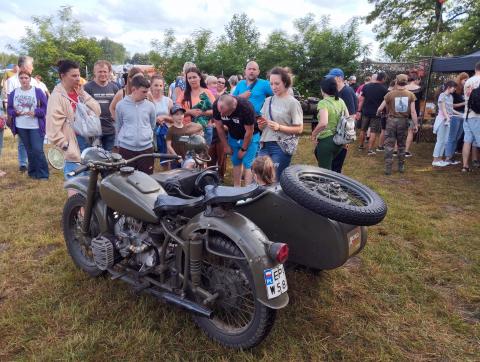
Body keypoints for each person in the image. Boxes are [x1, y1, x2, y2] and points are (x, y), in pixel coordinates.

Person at [46, 60, 101, 187]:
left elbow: (97, 110)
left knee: (88, 181)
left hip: (89, 141)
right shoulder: (57, 97)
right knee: (75, 182)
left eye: (78, 75)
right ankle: (76, 206)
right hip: (73, 142)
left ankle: (85, 206)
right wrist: (65, 145)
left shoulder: (79, 92)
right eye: (74, 76)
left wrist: (84, 96)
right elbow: (52, 128)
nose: (78, 79)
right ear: (63, 76)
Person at [257, 67, 303, 180]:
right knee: (260, 178)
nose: (273, 87)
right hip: (264, 144)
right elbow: (261, 125)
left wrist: (279, 127)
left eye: (277, 83)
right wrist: (261, 125)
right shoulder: (268, 100)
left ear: (285, 83)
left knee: (274, 180)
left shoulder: (293, 103)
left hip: (281, 147)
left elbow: (299, 129)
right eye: (271, 84)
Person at [7, 70, 49, 179]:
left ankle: (43, 174)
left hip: (35, 126)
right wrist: (15, 112)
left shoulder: (38, 91)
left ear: (30, 79)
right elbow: (10, 109)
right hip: (21, 126)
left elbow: (45, 109)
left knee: (37, 150)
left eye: (26, 78)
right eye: (21, 78)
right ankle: (32, 173)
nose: (24, 80)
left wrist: (35, 112)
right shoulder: (14, 93)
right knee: (29, 151)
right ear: (18, 79)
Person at [213, 94, 260, 187]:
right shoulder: (217, 105)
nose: (221, 115)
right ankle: (236, 188)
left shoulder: (246, 108)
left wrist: (243, 149)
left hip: (250, 137)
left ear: (233, 107)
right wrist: (226, 145)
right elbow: (219, 127)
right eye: (220, 112)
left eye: (225, 113)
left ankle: (248, 191)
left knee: (248, 163)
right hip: (233, 135)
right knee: (236, 161)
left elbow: (250, 131)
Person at [377, 74, 418, 175]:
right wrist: (415, 124)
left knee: (389, 145)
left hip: (391, 121)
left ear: (396, 81)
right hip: (403, 121)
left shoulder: (390, 94)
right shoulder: (410, 95)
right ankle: (401, 166)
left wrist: (378, 114)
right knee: (401, 145)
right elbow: (413, 112)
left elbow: (380, 108)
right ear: (406, 82)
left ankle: (388, 168)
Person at [114, 76, 156, 175]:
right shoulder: (121, 105)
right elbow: (119, 125)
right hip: (126, 149)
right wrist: (117, 144)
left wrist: (145, 136)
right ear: (134, 89)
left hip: (146, 149)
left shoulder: (150, 106)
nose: (147, 95)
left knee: (147, 179)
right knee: (126, 179)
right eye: (144, 92)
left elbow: (152, 124)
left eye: (147, 91)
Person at [6, 56, 41, 173]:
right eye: (32, 65)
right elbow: (8, 100)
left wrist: (37, 112)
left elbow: (41, 98)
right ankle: (23, 163)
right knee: (23, 142)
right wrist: (12, 113)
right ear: (25, 66)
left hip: (34, 119)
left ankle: (35, 165)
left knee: (35, 145)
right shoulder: (11, 81)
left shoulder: (35, 81)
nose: (33, 67)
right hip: (19, 118)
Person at [311, 77, 349, 170]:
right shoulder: (340, 101)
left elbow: (323, 123)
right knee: (334, 169)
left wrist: (314, 134)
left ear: (322, 89)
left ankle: (328, 184)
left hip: (326, 141)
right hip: (339, 140)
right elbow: (348, 119)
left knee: (325, 172)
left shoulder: (323, 103)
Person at [326, 68, 357, 173]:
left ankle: (337, 185)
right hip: (335, 131)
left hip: (342, 134)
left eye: (331, 78)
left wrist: (347, 137)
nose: (329, 81)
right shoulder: (336, 91)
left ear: (339, 78)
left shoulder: (347, 91)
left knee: (336, 166)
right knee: (331, 162)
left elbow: (351, 116)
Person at [83, 60, 119, 151]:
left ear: (109, 73)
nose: (102, 74)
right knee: (94, 158)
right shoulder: (87, 87)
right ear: (94, 72)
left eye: (105, 71)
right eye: (100, 71)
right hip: (93, 131)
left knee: (108, 157)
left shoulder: (114, 88)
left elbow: (117, 107)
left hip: (110, 129)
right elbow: (83, 108)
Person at [176, 67, 215, 144]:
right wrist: (190, 112)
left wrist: (202, 113)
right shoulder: (184, 94)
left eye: (194, 77)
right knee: (188, 155)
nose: (192, 80)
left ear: (199, 77)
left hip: (205, 129)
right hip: (188, 129)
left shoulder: (207, 92)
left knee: (204, 154)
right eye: (189, 78)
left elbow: (216, 111)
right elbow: (176, 112)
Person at [356, 72, 388, 155]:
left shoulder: (366, 86)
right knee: (373, 131)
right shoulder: (384, 89)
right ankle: (370, 150)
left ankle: (360, 146)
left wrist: (359, 111)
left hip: (365, 112)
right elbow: (386, 103)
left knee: (363, 130)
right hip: (376, 113)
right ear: (383, 79)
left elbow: (361, 99)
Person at [166, 105, 204, 169]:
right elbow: (168, 145)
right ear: (172, 116)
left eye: (181, 114)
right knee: (176, 176)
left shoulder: (186, 128)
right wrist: (176, 156)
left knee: (187, 170)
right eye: (177, 114)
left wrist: (199, 136)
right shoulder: (170, 130)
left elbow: (189, 142)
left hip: (186, 157)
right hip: (175, 158)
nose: (180, 116)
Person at [444, 72, 469, 165]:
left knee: (458, 137)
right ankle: (447, 157)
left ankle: (451, 156)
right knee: (452, 136)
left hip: (463, 115)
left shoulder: (464, 90)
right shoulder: (454, 91)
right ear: (460, 79)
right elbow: (450, 105)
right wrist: (464, 103)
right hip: (455, 115)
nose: (466, 82)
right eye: (465, 80)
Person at [432, 81, 458, 167]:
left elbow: (450, 109)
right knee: (440, 140)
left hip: (447, 120)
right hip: (442, 120)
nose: (455, 89)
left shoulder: (451, 97)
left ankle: (440, 159)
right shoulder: (442, 95)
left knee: (445, 141)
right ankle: (435, 160)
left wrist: (460, 114)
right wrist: (447, 117)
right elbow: (443, 109)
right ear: (449, 87)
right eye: (454, 87)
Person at [150, 75, 173, 168]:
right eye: (156, 85)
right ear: (151, 86)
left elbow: (174, 119)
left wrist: (164, 117)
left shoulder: (168, 101)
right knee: (151, 161)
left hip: (164, 134)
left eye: (160, 85)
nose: (158, 88)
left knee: (165, 160)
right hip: (150, 134)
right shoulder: (146, 100)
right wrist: (154, 119)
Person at [462, 61, 480, 172]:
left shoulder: (468, 81)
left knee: (467, 141)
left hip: (467, 114)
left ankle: (465, 166)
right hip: (478, 116)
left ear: (475, 69)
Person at [404, 73, 423, 157]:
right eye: (419, 80)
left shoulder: (403, 88)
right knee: (410, 131)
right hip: (414, 111)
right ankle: (406, 151)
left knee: (399, 131)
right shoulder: (419, 89)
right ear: (416, 80)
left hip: (402, 111)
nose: (420, 82)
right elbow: (419, 101)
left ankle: (395, 150)